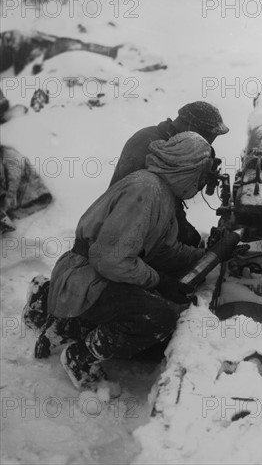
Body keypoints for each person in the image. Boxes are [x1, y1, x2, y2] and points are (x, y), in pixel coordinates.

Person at [23, 132, 226, 391]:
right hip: (86, 276)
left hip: (101, 274)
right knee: (157, 317)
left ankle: (66, 325)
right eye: (201, 175)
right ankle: (81, 357)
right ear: (187, 169)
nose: (201, 185)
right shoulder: (145, 190)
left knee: (157, 341)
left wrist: (209, 255)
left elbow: (164, 251)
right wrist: (159, 281)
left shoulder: (162, 193)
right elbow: (110, 259)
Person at [109, 101, 229, 247]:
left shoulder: (175, 144)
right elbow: (152, 203)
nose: (207, 144)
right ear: (191, 128)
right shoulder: (150, 143)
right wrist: (190, 239)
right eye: (207, 137)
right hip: (123, 231)